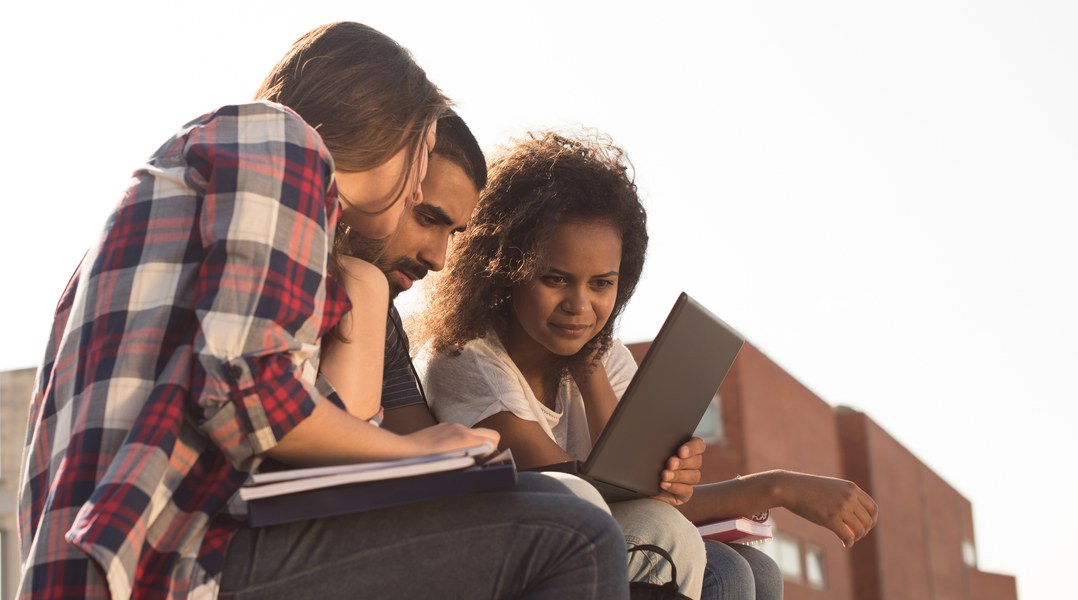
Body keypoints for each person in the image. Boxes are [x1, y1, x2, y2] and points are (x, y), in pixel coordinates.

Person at [17, 23, 628, 599]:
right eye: (418, 166)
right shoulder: (280, 139)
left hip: (130, 552)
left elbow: (311, 437)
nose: (415, 190)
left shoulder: (199, 196)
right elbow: (245, 396)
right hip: (167, 553)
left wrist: (360, 283)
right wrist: (418, 451)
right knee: (573, 532)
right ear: (389, 131)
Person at [415, 130, 880, 599]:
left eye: (601, 284)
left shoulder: (598, 353)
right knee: (724, 572)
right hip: (507, 555)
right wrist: (775, 487)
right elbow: (584, 497)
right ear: (504, 267)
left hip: (590, 531)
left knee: (759, 571)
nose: (580, 304)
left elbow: (643, 490)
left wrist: (589, 365)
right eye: (555, 279)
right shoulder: (467, 357)